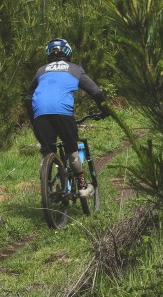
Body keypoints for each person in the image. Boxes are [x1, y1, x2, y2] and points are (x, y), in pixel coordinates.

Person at [25, 38, 108, 197]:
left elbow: (28, 98)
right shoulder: (75, 69)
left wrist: (34, 120)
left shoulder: (41, 71)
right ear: (68, 52)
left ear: (48, 53)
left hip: (40, 114)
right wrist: (105, 110)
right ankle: (83, 187)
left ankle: (49, 185)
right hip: (62, 112)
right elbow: (96, 92)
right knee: (71, 147)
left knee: (48, 150)